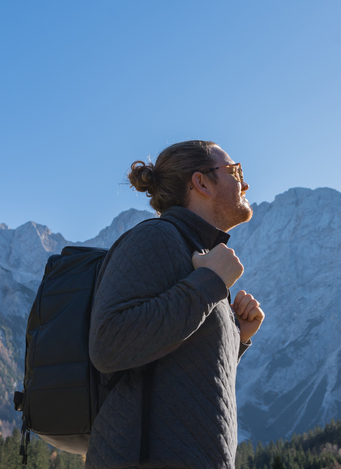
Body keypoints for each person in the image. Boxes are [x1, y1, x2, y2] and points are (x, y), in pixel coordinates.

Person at [86, 140, 265, 468]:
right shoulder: (156, 238)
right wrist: (210, 283)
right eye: (235, 171)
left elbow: (184, 375)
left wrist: (236, 337)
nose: (245, 182)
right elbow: (107, 343)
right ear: (201, 182)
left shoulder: (195, 253)